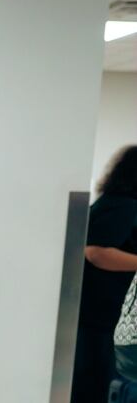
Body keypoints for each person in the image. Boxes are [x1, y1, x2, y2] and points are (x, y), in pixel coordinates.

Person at [72, 145, 137, 403]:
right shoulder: (124, 206)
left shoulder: (114, 203)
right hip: (100, 320)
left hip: (97, 319)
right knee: (95, 388)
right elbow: (96, 251)